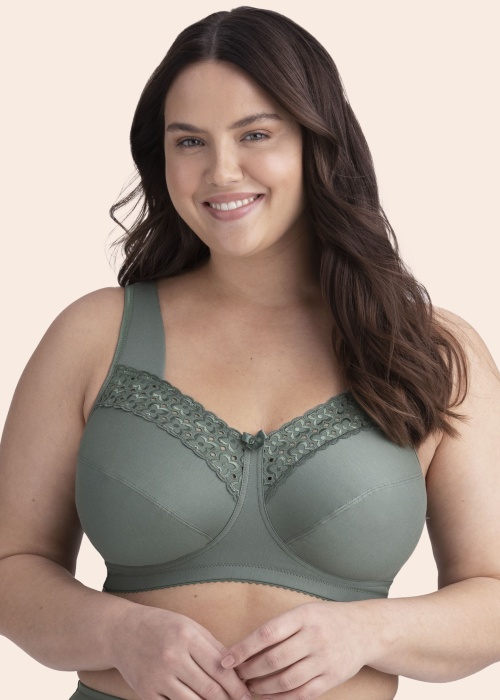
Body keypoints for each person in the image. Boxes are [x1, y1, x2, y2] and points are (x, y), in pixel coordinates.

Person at [0, 5, 499, 700]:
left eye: (255, 134)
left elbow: (492, 594)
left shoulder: (432, 350)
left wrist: (368, 633)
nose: (221, 171)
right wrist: (117, 633)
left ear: (317, 142)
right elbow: (12, 565)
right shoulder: (93, 335)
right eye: (189, 142)